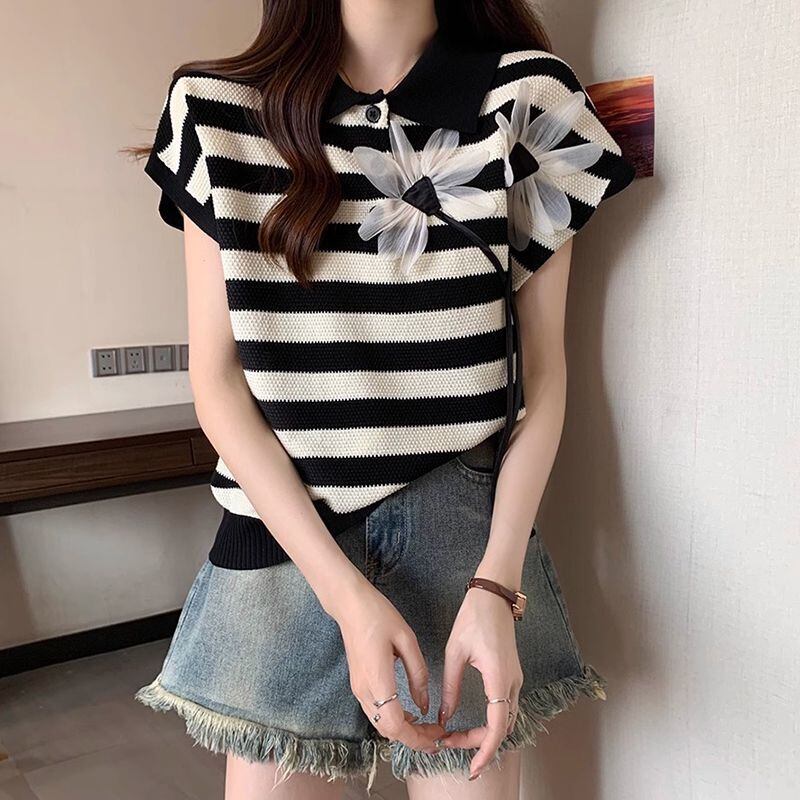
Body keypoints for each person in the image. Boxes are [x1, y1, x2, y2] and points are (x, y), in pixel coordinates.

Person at [131, 0, 636, 797]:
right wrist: (345, 596)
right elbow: (217, 382)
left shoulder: (529, 102)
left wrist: (497, 583)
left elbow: (544, 381)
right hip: (288, 542)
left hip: (465, 550)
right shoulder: (215, 113)